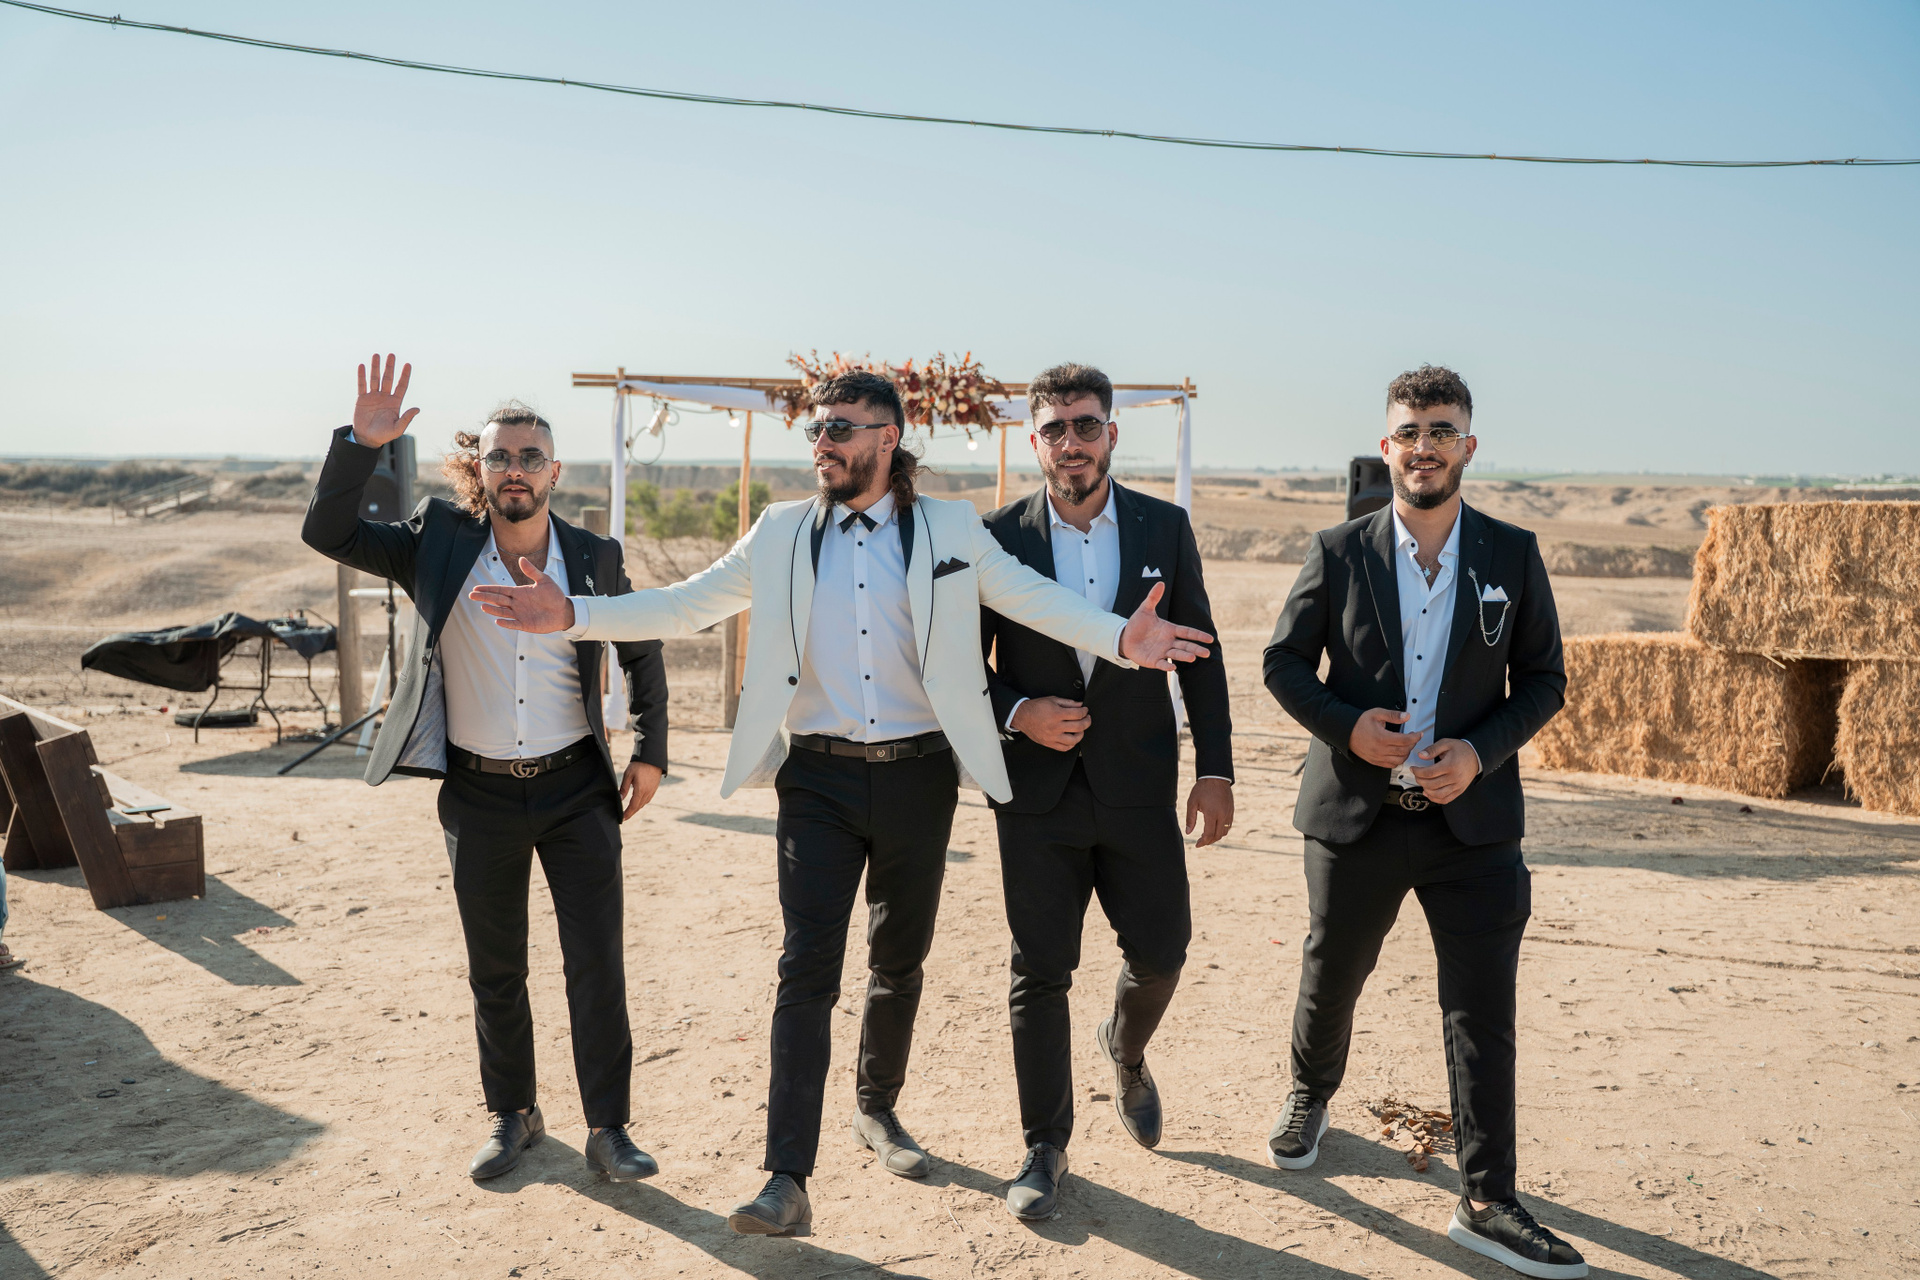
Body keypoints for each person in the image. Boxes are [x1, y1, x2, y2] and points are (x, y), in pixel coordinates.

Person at [468, 369, 1216, 1239]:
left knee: (900, 961)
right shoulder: (781, 530)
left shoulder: (950, 528)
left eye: (839, 429)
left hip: (919, 776)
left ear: (887, 439)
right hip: (816, 780)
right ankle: (786, 1178)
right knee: (805, 971)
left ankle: (878, 1107)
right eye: (816, 429)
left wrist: (1118, 637)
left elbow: (1032, 598)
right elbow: (683, 604)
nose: (821, 442)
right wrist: (572, 614)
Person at [302, 355, 670, 1186]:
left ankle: (610, 1129)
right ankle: (514, 1114)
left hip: (577, 789)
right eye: (499, 455)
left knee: (596, 964)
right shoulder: (438, 541)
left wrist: (651, 749)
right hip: (478, 793)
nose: (515, 469)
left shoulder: (594, 557)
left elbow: (642, 647)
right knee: (495, 967)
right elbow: (330, 534)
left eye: (530, 457)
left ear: (554, 472)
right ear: (481, 468)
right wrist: (359, 446)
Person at [1263, 365, 1586, 1278]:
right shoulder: (1339, 551)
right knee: (1333, 972)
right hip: (1355, 818)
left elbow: (1545, 681)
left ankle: (1487, 1200)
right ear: (1386, 446)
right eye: (1409, 430)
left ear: (1468, 447)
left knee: (1482, 1008)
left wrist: (1479, 752)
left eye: (1442, 430)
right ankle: (1309, 1091)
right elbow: (1282, 663)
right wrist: (1348, 728)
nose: (1424, 446)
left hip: (1471, 825)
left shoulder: (1512, 555)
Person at [978, 363, 1234, 1220]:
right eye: (1054, 428)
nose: (1071, 442)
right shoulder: (995, 538)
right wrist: (1017, 711)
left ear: (1112, 434)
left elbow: (1201, 654)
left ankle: (1123, 1048)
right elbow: (957, 667)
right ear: (1034, 441)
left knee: (1163, 950)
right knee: (1038, 972)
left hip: (1137, 785)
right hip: (1035, 793)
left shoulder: (1165, 526)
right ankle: (1043, 1148)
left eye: (1086, 425)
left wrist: (1215, 769)